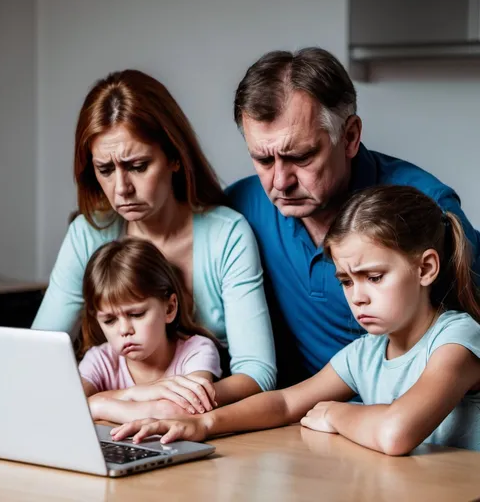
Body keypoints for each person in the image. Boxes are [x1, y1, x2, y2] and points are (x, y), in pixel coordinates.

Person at [110, 186, 480, 455]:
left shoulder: (458, 340)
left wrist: (336, 413)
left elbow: (395, 432)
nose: (358, 296)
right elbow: (285, 403)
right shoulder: (365, 353)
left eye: (375, 277)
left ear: (426, 268)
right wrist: (203, 424)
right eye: (346, 281)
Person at [226, 47, 480, 386]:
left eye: (300, 157)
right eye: (263, 160)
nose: (280, 182)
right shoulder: (239, 206)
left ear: (349, 137)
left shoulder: (429, 211)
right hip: (292, 419)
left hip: (412, 425)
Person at [32, 69, 276, 410]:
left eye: (138, 165)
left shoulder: (226, 234)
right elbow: (36, 358)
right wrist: (131, 398)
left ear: (174, 157)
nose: (121, 189)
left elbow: (258, 373)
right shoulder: (88, 234)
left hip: (195, 425)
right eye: (105, 170)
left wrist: (167, 400)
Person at [79, 237, 222, 423]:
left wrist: (97, 405)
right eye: (109, 320)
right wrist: (134, 394)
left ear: (169, 308)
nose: (124, 330)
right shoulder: (100, 360)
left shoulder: (197, 351)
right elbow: (65, 407)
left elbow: (179, 412)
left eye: (137, 314)